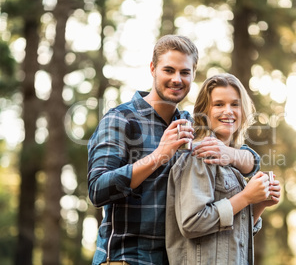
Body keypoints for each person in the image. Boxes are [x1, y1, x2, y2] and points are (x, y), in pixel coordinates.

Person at [87, 35, 260, 265]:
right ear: (153, 69)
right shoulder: (121, 119)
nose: (177, 79)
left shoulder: (190, 125)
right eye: (169, 70)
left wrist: (233, 155)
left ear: (193, 75)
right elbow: (98, 189)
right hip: (126, 259)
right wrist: (159, 155)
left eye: (185, 72)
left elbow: (250, 161)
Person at [166, 73, 281, 265]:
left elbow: (230, 234)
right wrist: (245, 198)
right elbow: (192, 223)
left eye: (234, 104)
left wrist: (258, 204)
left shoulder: (230, 161)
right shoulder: (201, 154)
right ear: (204, 111)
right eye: (219, 104)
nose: (228, 111)